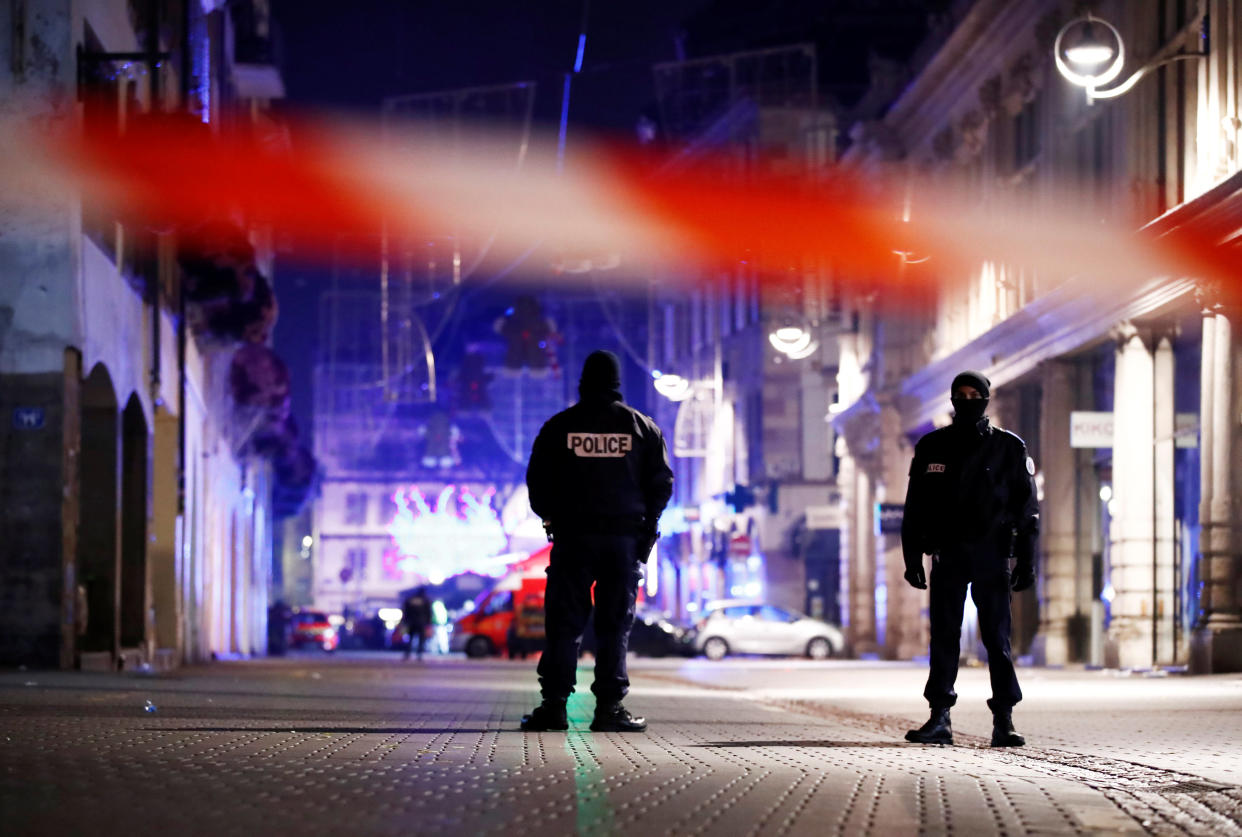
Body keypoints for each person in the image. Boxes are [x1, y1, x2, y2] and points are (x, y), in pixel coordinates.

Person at [520, 350, 674, 733]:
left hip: (573, 538)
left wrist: (551, 518)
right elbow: (662, 484)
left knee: (564, 624)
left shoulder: (559, 427)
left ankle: (554, 706)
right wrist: (647, 525)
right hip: (623, 541)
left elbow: (537, 481)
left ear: (583, 382)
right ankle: (609, 708)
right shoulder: (642, 428)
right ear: (617, 383)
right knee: (614, 625)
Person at [900, 371, 1038, 748]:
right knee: (944, 636)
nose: (967, 399)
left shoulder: (1009, 448)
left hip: (992, 555)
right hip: (947, 555)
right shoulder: (932, 446)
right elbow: (915, 507)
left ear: (986, 398)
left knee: (997, 638)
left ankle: (1004, 720)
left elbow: (1027, 510)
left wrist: (1026, 560)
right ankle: (939, 716)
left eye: (974, 393)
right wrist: (912, 556)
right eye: (959, 394)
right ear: (951, 399)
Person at [400, 587, 433, 661]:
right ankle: (419, 654)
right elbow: (429, 613)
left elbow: (405, 611)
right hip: (421, 622)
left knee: (410, 638)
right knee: (421, 639)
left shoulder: (410, 599)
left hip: (411, 622)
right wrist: (429, 623)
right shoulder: (425, 600)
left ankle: (407, 653)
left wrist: (405, 621)